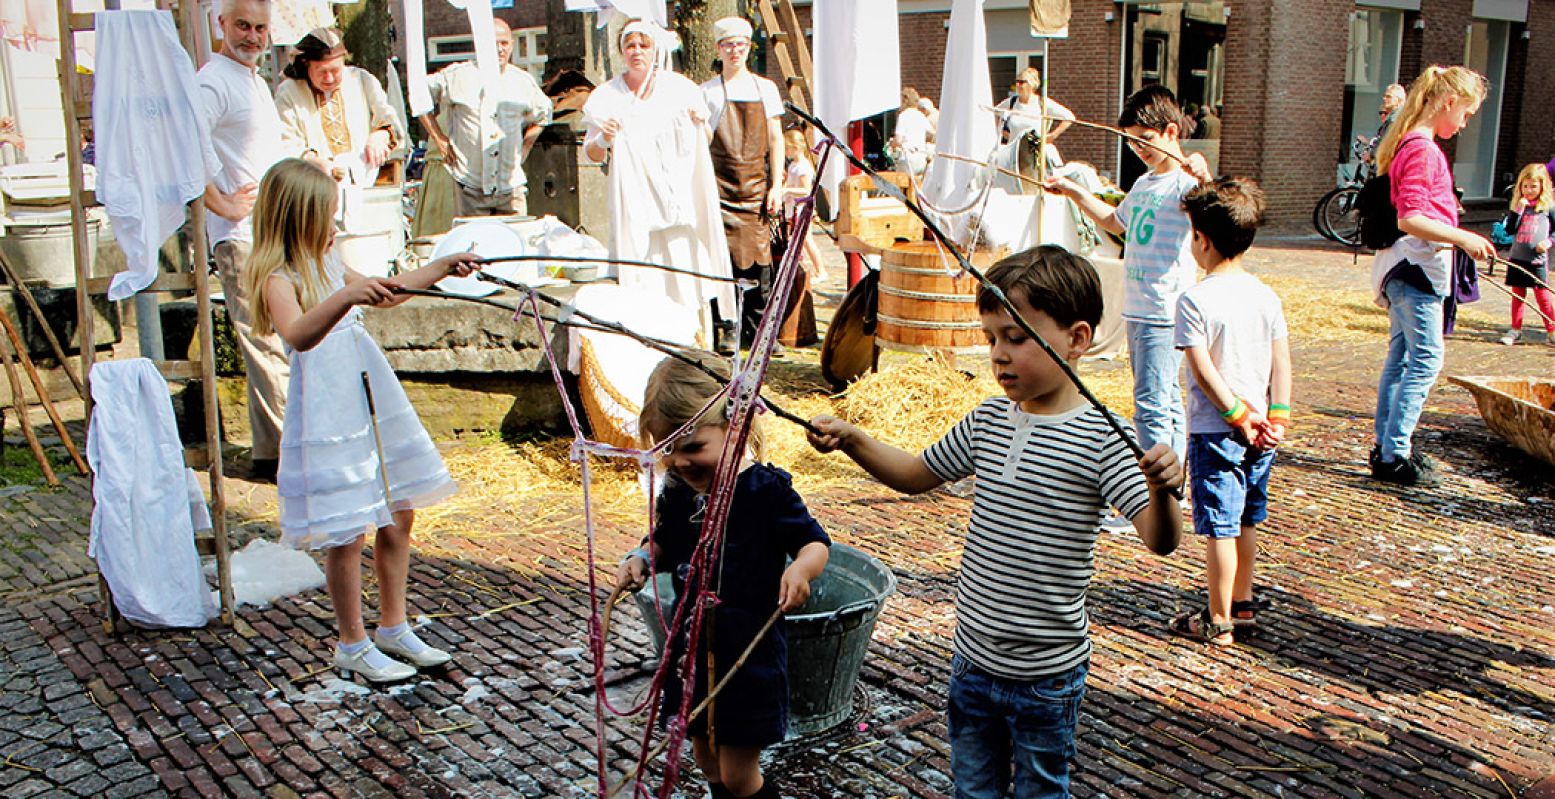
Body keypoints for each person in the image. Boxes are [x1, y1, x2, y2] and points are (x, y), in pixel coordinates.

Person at [807, 247, 1182, 798]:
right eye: (991, 338)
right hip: (973, 663)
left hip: (1047, 678)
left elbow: (1160, 538)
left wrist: (1162, 487)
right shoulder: (987, 420)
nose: (999, 356)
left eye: (1017, 337)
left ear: (1077, 339)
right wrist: (855, 441)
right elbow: (914, 475)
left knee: (1039, 792)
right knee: (973, 791)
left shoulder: (1104, 438)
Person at [244, 159, 481, 682]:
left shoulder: (329, 261)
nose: (336, 225)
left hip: (369, 393)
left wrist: (442, 268)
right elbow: (300, 333)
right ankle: (351, 641)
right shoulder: (278, 278)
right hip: (330, 408)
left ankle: (392, 626)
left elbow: (390, 292)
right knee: (347, 531)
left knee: (400, 510)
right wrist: (347, 295)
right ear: (298, 217)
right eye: (328, 215)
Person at [615, 355, 830, 799]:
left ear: (735, 428)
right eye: (668, 449)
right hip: (691, 649)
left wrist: (800, 568)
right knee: (704, 758)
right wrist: (641, 557)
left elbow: (814, 542)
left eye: (693, 447)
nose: (680, 462)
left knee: (737, 773)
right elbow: (663, 540)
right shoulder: (676, 493)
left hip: (746, 654)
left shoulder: (764, 491)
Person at [1046, 85, 1212, 463]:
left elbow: (1213, 204)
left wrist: (1202, 173)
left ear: (1172, 131)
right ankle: (1171, 488)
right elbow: (1115, 222)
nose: (1139, 149)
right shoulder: (1144, 182)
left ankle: (1155, 494)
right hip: (1139, 308)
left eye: (1146, 140)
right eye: (1132, 142)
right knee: (1165, 399)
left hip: (1164, 309)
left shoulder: (1185, 184)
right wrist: (1073, 192)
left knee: (1151, 406)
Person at [1168, 177, 1291, 645]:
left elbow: (1202, 369)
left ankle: (1217, 619)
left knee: (1219, 524)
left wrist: (1237, 414)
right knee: (1246, 519)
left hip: (1218, 428)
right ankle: (1243, 604)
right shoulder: (1266, 295)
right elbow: (1281, 363)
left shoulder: (1195, 299)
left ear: (1201, 239)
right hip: (1263, 430)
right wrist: (1275, 416)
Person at [1367, 66, 1494, 487]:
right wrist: (1463, 237)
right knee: (1425, 359)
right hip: (1417, 267)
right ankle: (1395, 454)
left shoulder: (1408, 142)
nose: (1464, 123)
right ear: (1449, 102)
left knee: (1402, 358)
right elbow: (1412, 217)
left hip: (1406, 268)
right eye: (1467, 113)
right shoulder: (1422, 149)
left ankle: (1387, 446)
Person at [581, 19, 736, 351]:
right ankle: (647, 345)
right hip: (637, 208)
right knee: (643, 277)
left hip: (678, 208)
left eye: (644, 45)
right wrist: (606, 138)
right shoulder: (607, 96)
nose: (637, 52)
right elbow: (592, 153)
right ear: (622, 51)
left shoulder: (679, 90)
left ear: (655, 49)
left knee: (683, 276)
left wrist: (698, 125)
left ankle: (693, 346)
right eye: (630, 45)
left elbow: (701, 143)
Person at [198, 0, 290, 481]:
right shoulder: (212, 80)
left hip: (267, 230)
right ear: (221, 24)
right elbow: (184, 140)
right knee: (265, 341)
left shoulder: (252, 79)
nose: (252, 36)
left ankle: (271, 452)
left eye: (260, 28)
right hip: (240, 236)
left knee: (272, 340)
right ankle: (292, 456)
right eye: (242, 26)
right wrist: (219, 200)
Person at [701, 16, 785, 350]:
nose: (735, 51)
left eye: (741, 44)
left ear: (749, 47)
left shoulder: (766, 88)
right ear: (719, 49)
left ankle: (761, 330)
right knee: (721, 261)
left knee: (760, 261)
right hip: (718, 190)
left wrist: (776, 185)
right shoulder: (706, 93)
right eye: (728, 45)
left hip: (755, 190)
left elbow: (776, 139)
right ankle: (726, 327)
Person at [419, 18, 552, 218]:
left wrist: (526, 146)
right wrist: (439, 138)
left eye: (504, 43)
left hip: (511, 187)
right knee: (474, 246)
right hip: (470, 186)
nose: (499, 49)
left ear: (512, 45)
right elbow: (419, 96)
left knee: (517, 244)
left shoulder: (523, 82)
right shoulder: (458, 76)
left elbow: (543, 114)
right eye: (493, 43)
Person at [274, 27, 404, 186]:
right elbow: (286, 142)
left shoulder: (362, 80)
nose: (329, 78)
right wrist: (315, 162)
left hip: (364, 184)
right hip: (313, 187)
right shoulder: (289, 92)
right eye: (321, 71)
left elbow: (390, 119)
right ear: (306, 65)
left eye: (335, 70)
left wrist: (381, 135)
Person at [1495, 163, 1555, 346]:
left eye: (1533, 186)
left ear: (1542, 186)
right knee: (1518, 296)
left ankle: (1552, 329)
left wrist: (1549, 242)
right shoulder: (1519, 206)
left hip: (1536, 260)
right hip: (1517, 258)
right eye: (1525, 186)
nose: (1528, 191)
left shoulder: (1548, 208)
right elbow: (1510, 229)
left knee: (1543, 296)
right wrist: (1517, 211)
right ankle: (1515, 329)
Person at [993, 67, 1074, 193]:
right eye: (1017, 82)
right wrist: (1001, 130)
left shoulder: (1042, 103)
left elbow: (1069, 117)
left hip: (1034, 158)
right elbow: (993, 112)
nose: (1018, 85)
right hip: (1013, 158)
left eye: (1022, 82)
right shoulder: (1012, 102)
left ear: (1032, 84)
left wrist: (1052, 135)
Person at [782, 128, 827, 282]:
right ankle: (797, 269)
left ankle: (821, 270)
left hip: (801, 209)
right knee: (796, 240)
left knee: (807, 240)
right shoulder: (794, 165)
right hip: (793, 207)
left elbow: (806, 190)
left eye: (786, 148)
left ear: (795, 148)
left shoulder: (803, 166)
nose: (785, 152)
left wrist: (787, 190)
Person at [890, 87, 933, 181]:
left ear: (905, 100)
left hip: (908, 158)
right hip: (921, 157)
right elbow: (932, 134)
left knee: (903, 188)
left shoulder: (903, 116)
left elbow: (898, 140)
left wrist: (891, 144)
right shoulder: (921, 116)